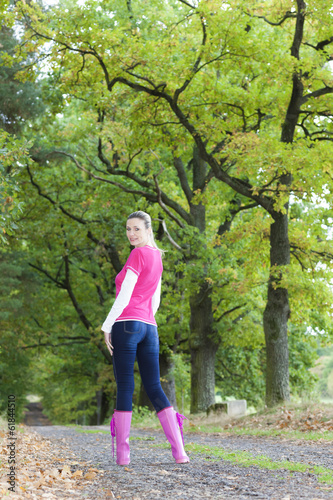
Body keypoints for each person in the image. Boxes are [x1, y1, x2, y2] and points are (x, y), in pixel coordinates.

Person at [102, 210, 189, 466]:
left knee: (126, 386)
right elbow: (156, 300)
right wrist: (146, 320)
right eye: (128, 229)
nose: (131, 234)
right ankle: (180, 452)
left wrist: (108, 325)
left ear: (148, 230)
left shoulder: (137, 254)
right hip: (150, 327)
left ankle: (123, 455)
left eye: (136, 229)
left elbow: (125, 294)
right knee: (154, 387)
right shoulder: (158, 258)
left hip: (126, 325)